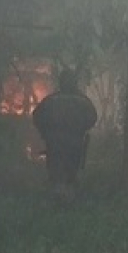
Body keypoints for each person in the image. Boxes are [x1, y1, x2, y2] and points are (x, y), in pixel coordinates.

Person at [32, 68, 99, 203]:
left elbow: (37, 117)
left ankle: (56, 203)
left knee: (56, 173)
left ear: (61, 82)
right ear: (74, 82)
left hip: (54, 143)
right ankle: (69, 204)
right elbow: (92, 118)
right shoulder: (83, 101)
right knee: (71, 173)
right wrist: (80, 129)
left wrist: (46, 133)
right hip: (75, 143)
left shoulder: (50, 100)